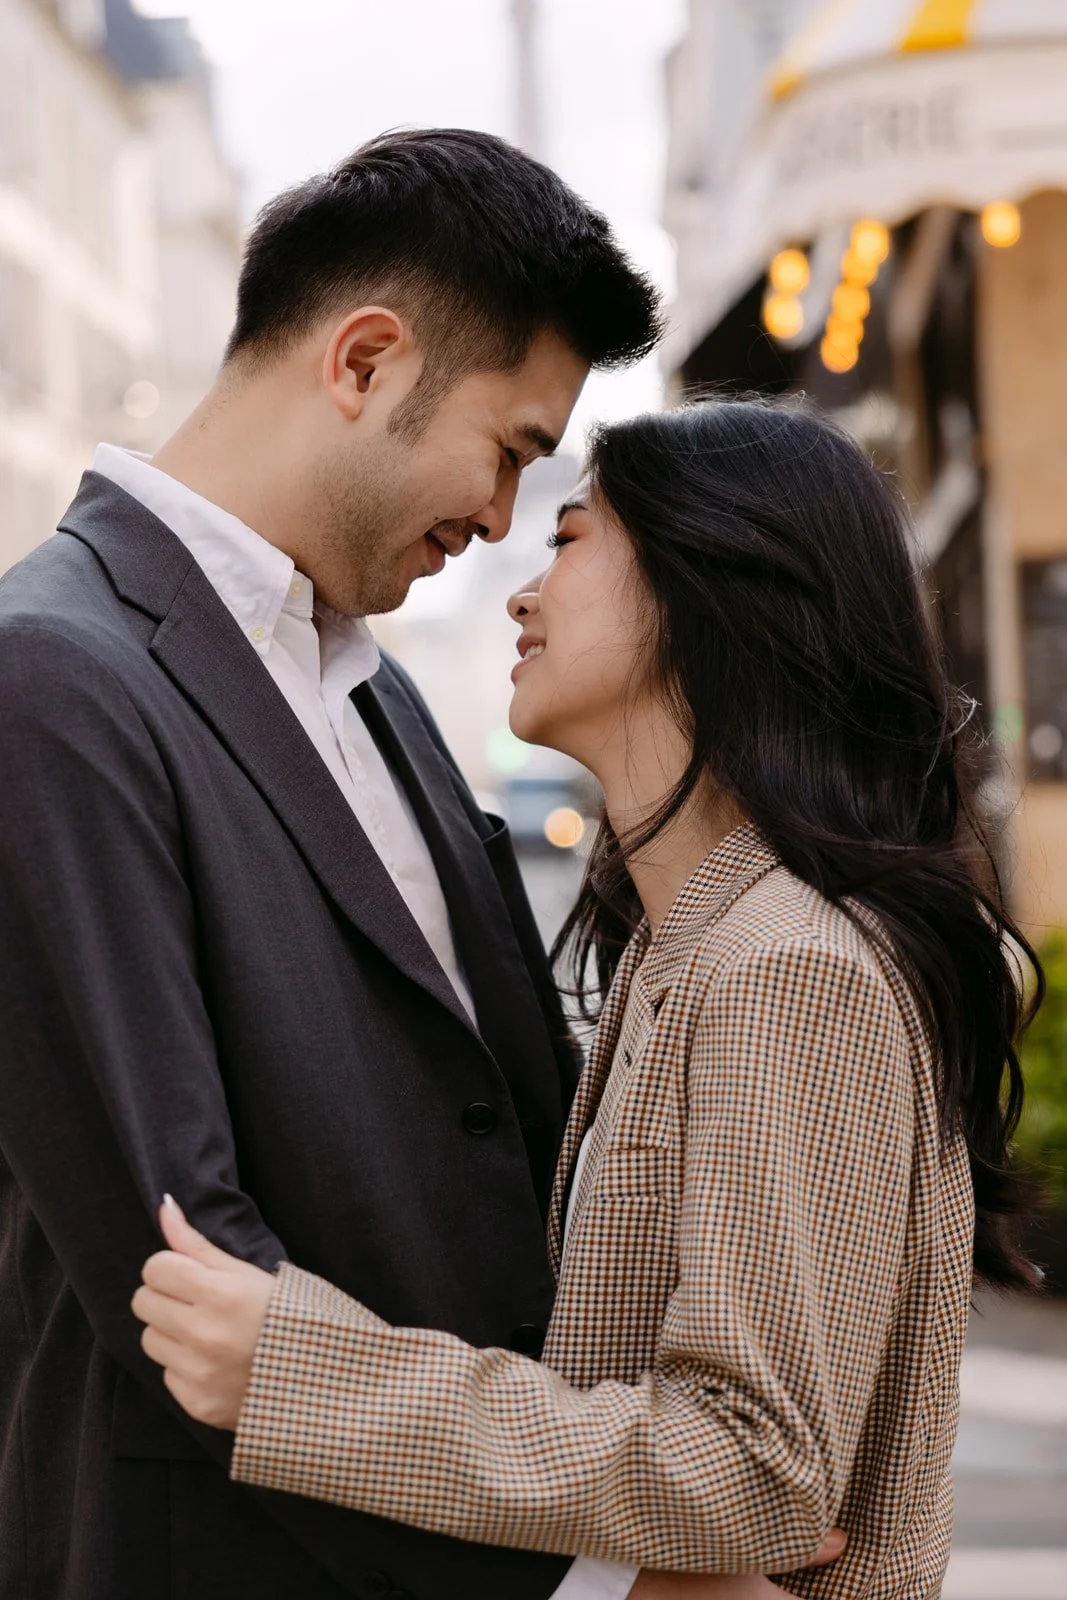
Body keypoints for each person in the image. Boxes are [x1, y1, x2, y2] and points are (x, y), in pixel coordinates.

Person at [134, 399, 1041, 1600]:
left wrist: (304, 1377)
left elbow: (754, 1465)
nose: (521, 593)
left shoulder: (789, 968)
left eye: (566, 539)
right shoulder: (687, 952)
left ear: (710, 587)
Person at [0, 126, 695, 1600]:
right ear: (365, 362)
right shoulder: (49, 677)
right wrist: (571, 1563)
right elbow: (179, 1266)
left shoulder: (369, 684)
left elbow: (490, 1113)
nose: (499, 521)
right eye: (509, 451)